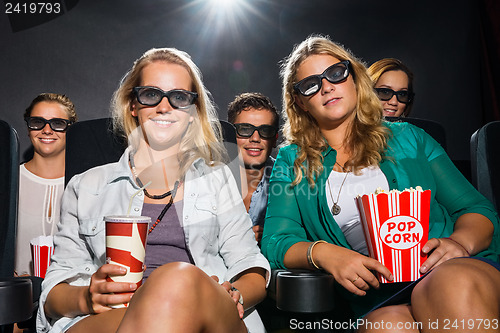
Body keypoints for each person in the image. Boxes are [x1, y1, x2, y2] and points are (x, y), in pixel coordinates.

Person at [261, 35, 500, 332]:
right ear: (300, 102)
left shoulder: (409, 138)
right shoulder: (291, 160)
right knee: (384, 327)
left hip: (450, 268)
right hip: (381, 296)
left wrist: (459, 243)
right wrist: (325, 254)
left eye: (335, 73)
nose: (326, 86)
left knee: (449, 285)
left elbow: (476, 210)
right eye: (310, 84)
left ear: (355, 78)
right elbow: (276, 241)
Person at [38, 47, 270, 333]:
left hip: (207, 314)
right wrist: (86, 296)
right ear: (133, 105)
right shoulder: (85, 186)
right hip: (111, 317)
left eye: (179, 97)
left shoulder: (217, 179)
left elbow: (251, 266)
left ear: (192, 112)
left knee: (177, 279)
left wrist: (236, 293)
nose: (164, 106)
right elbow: (52, 294)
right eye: (151, 94)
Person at [15, 93, 77, 277]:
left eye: (58, 123)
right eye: (37, 122)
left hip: (70, 298)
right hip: (14, 297)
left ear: (71, 129)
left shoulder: (85, 184)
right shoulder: (9, 182)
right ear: (28, 128)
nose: (47, 130)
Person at [227, 92, 279, 244]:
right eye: (245, 129)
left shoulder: (289, 180)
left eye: (265, 131)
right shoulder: (209, 179)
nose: (255, 138)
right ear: (231, 134)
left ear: (274, 139)